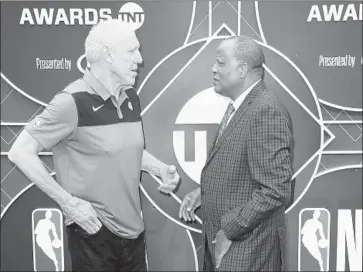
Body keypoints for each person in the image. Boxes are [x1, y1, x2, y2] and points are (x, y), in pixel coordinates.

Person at [8, 19, 180, 271]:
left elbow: (122, 148)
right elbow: (20, 152)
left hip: (133, 232)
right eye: (132, 51)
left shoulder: (130, 96)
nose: (140, 59)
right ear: (108, 55)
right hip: (94, 233)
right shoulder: (71, 102)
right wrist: (69, 204)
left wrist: (159, 169)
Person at [179, 36, 294, 271]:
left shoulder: (265, 110)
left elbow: (276, 190)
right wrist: (204, 193)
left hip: (247, 251)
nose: (213, 68)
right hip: (232, 248)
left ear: (242, 69)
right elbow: (242, 171)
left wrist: (228, 231)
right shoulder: (242, 105)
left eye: (220, 63)